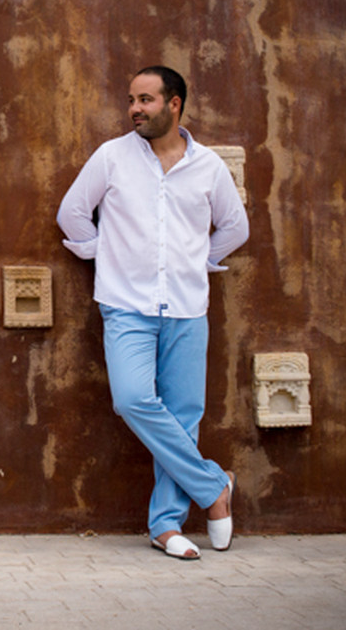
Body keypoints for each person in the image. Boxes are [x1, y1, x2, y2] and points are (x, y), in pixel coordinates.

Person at [56, 66, 249, 560]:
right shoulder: (112, 157)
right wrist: (107, 253)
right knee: (133, 398)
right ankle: (213, 486)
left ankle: (165, 525)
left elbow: (234, 226)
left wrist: (199, 261)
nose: (135, 109)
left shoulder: (207, 166)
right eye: (131, 100)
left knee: (184, 418)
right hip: (126, 305)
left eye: (145, 100)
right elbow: (72, 213)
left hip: (187, 306)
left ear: (175, 103)